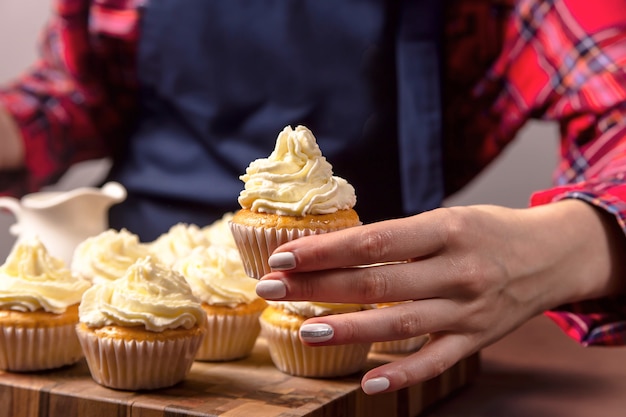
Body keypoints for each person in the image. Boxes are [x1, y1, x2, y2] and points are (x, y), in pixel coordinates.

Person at [2, 0, 626, 396]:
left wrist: (578, 241)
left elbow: (612, 89)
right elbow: (76, 88)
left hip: (365, 300)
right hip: (138, 271)